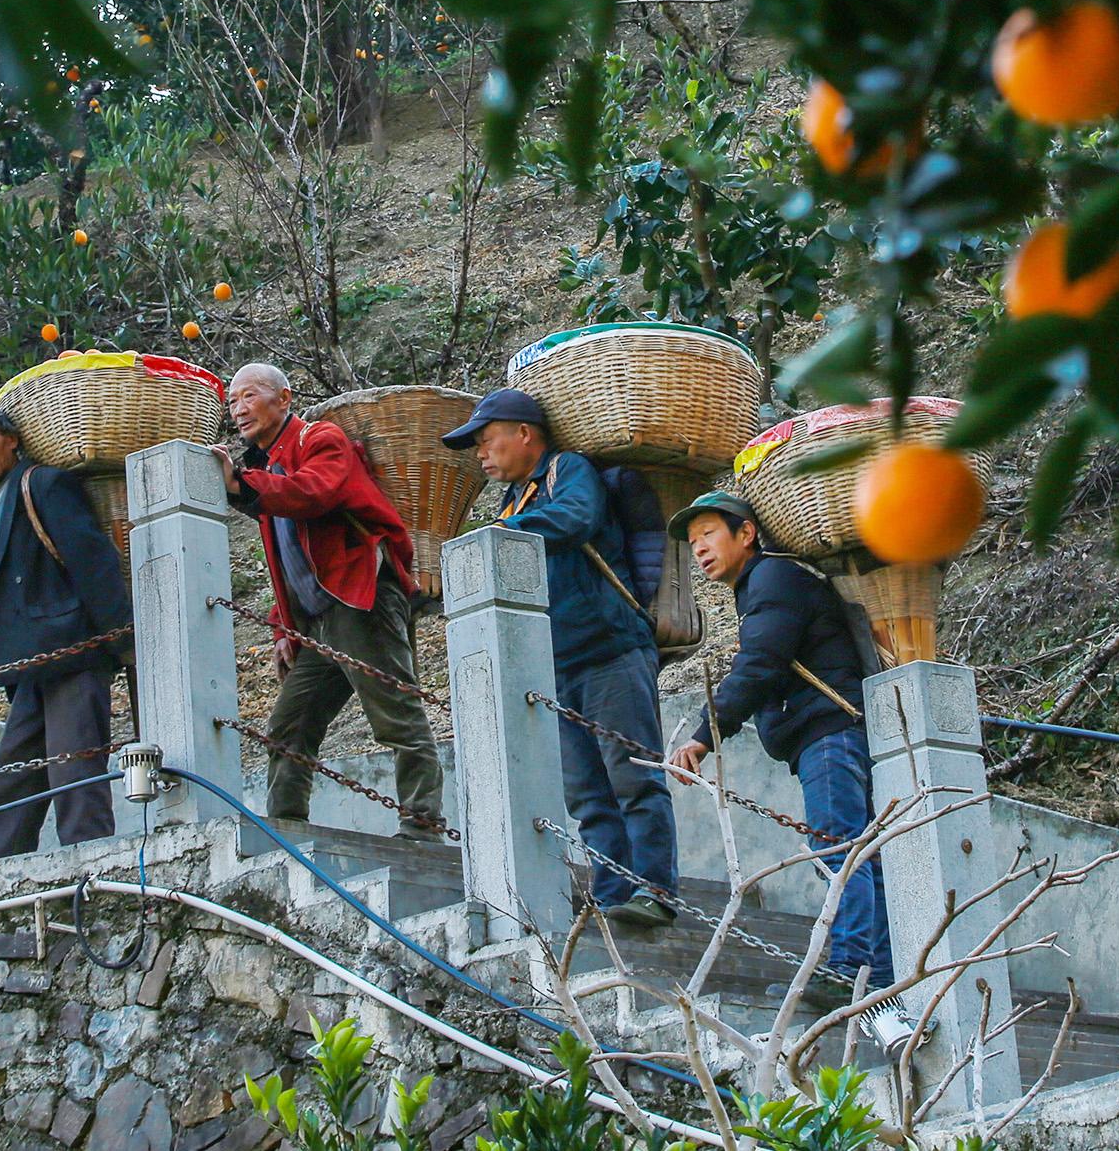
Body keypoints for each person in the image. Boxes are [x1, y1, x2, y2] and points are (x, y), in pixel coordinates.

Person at [446, 386, 679, 926]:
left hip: (611, 650)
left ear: (524, 434)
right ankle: (611, 894)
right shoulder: (513, 500)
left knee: (634, 776)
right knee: (587, 794)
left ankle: (655, 892)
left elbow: (575, 518)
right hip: (557, 663)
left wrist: (508, 532)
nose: (481, 453)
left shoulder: (566, 471)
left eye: (486, 440)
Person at [664, 489, 896, 992]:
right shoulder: (764, 583)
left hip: (828, 734)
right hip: (834, 730)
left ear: (746, 533)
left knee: (840, 850)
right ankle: (877, 976)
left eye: (708, 534)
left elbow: (759, 665)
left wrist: (706, 737)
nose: (699, 548)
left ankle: (851, 969)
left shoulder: (772, 577)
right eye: (692, 541)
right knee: (857, 852)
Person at [214, 361, 446, 833]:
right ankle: (285, 827)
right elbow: (292, 559)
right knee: (290, 724)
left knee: (396, 715)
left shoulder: (319, 440)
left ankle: (423, 829)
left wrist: (241, 483)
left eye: (250, 396)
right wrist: (284, 626)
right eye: (233, 400)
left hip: (360, 600)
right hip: (321, 616)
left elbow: (312, 494)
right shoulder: (269, 465)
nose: (239, 409)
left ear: (284, 399)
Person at [0, 400, 132, 858]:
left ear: (11, 440)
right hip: (30, 663)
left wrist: (118, 636)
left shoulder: (45, 484)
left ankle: (90, 870)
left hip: (71, 651)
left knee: (74, 769)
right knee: (13, 777)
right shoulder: (2, 500)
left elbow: (92, 560)